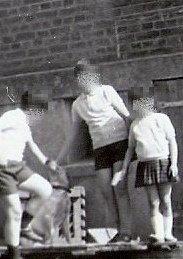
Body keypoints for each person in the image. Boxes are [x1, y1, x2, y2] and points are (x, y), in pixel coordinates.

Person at [57, 59, 134, 242]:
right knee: (106, 190)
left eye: (85, 77)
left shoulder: (106, 91)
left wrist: (134, 144)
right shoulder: (77, 105)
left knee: (120, 188)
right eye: (78, 79)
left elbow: (127, 116)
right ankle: (114, 232)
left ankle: (127, 232)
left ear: (93, 77)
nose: (81, 82)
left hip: (119, 142)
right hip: (100, 148)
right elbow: (73, 135)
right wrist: (58, 159)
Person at [0, 90, 56, 259]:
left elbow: (32, 144)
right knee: (14, 210)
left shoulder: (25, 125)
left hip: (18, 166)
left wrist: (46, 161)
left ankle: (23, 226)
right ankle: (14, 254)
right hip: (2, 167)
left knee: (45, 189)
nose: (40, 118)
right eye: (40, 113)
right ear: (34, 110)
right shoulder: (14, 116)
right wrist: (0, 152)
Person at [112, 86, 179, 244]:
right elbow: (130, 149)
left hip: (163, 163)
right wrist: (124, 168)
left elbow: (172, 142)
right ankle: (158, 234)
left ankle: (168, 234)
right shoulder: (135, 125)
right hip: (146, 166)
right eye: (136, 104)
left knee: (165, 200)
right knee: (153, 202)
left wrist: (173, 163)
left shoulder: (161, 119)